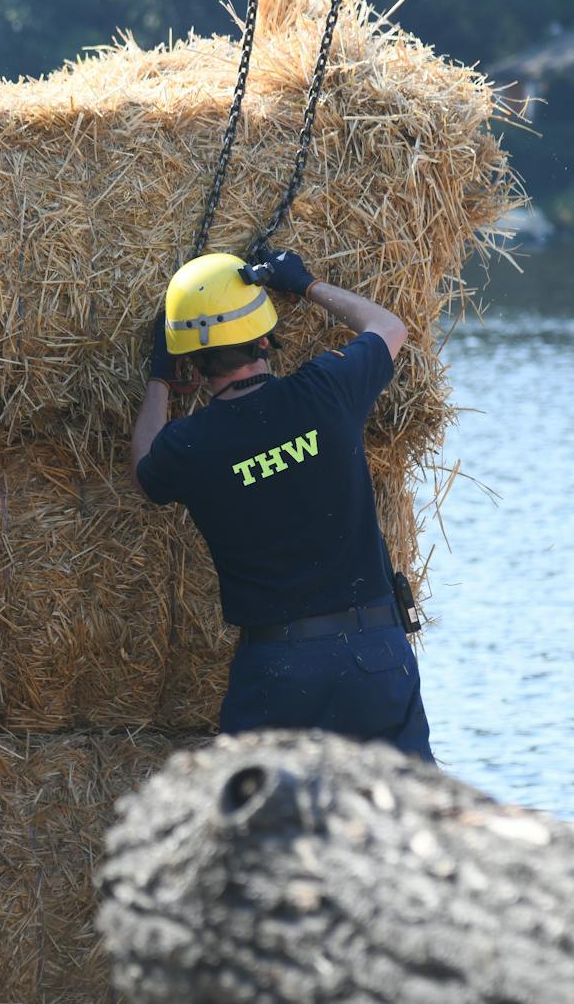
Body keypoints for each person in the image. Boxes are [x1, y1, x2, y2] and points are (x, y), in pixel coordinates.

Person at [130, 249, 433, 762]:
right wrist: (305, 283)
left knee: (258, 812)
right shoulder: (325, 389)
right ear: (265, 338)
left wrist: (159, 378)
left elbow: (143, 468)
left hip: (279, 669)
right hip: (374, 653)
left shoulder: (190, 446)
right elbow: (388, 327)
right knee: (407, 810)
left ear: (192, 363)